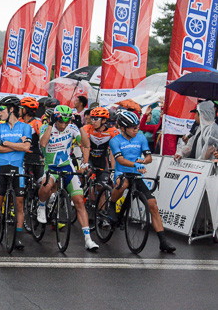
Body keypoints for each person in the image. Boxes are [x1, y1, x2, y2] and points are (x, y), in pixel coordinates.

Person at [109, 111, 175, 253]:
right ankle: (112, 204)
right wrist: (134, 164)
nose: (136, 129)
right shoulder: (115, 140)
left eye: (137, 126)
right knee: (124, 184)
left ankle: (163, 241)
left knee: (152, 204)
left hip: (135, 173)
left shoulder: (141, 138)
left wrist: (143, 161)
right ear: (122, 128)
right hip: (122, 172)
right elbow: (119, 160)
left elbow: (149, 157)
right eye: (132, 127)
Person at [37, 105, 99, 251]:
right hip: (51, 167)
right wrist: (51, 125)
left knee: (78, 201)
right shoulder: (45, 127)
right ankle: (41, 205)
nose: (63, 125)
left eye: (66, 122)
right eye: (60, 122)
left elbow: (86, 144)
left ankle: (88, 239)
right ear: (55, 119)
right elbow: (43, 143)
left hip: (67, 166)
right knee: (46, 186)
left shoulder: (72, 128)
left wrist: (80, 126)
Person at [0, 96, 32, 251]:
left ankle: (18, 237)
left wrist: (5, 143)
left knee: (19, 205)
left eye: (2, 109)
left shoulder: (25, 127)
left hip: (18, 169)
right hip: (1, 168)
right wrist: (16, 145)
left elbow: (26, 148)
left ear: (11, 109)